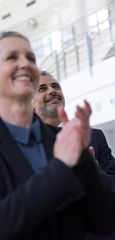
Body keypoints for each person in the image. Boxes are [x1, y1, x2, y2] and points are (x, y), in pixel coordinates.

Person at [0, 31, 115, 239]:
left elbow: (105, 220)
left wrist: (86, 166)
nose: (26, 63)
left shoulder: (64, 140)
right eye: (12, 57)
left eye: (31, 58)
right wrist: (61, 166)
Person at [32, 70, 115, 240]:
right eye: (42, 89)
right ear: (30, 105)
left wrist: (93, 173)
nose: (52, 91)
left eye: (56, 86)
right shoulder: (24, 146)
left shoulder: (94, 136)